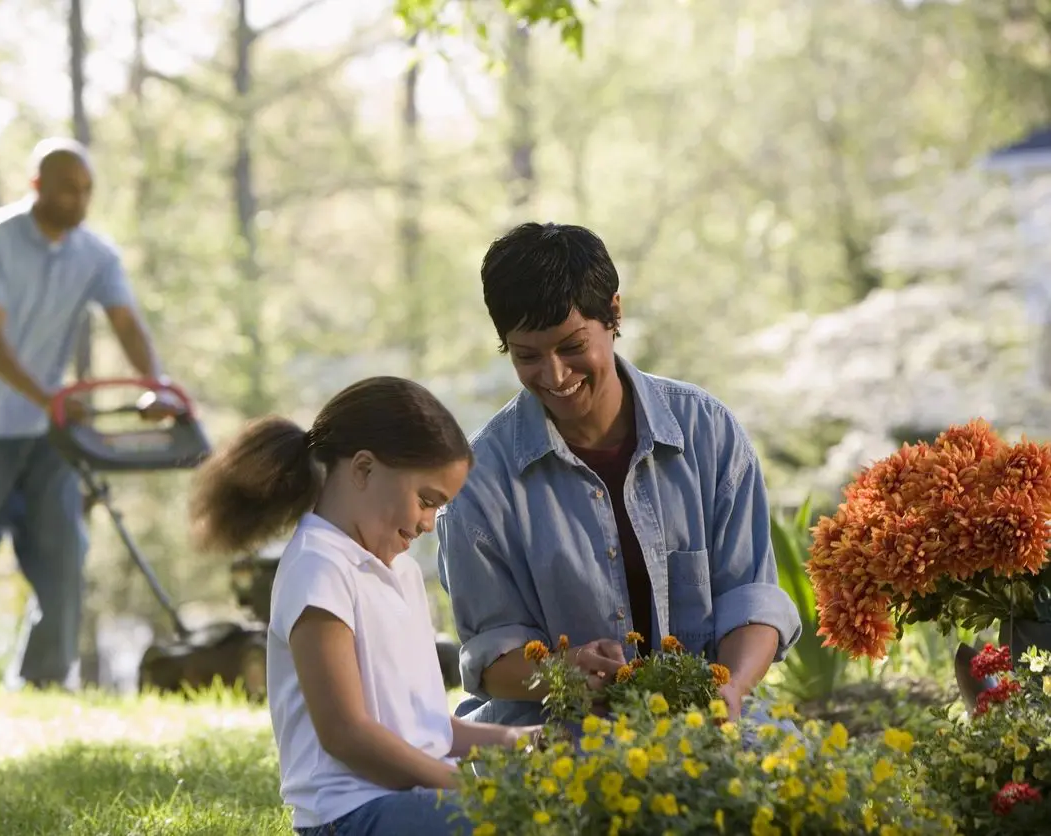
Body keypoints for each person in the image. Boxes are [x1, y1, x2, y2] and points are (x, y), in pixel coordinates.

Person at [436, 222, 803, 729]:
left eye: (571, 346)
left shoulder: (708, 431)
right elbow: (489, 654)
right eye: (527, 356)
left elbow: (749, 598)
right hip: (550, 733)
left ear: (614, 312)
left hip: (707, 720)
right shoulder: (479, 483)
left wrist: (731, 688)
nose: (555, 375)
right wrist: (563, 671)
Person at [0, 137, 179, 692]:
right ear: (37, 185)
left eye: (87, 189)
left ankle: (42, 681)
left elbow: (127, 323)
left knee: (64, 547)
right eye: (68, 188)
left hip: (44, 429)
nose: (79, 199)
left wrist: (155, 385)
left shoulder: (96, 255)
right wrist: (49, 397)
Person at [188, 376, 539, 836]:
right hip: (351, 816)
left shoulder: (402, 573)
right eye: (426, 501)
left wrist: (519, 741)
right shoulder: (319, 568)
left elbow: (431, 729)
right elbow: (346, 735)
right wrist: (471, 790)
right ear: (364, 469)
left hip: (411, 803)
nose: (429, 524)